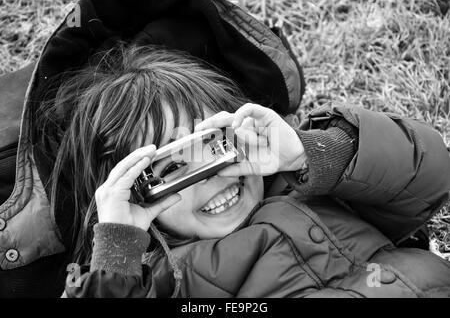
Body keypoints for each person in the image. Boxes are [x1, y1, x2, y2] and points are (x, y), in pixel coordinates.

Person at [55, 43, 450, 298]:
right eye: (172, 166)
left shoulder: (312, 181)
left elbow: (431, 173)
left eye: (213, 144)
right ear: (134, 193)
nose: (210, 175)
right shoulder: (159, 282)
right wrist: (116, 252)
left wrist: (311, 154)